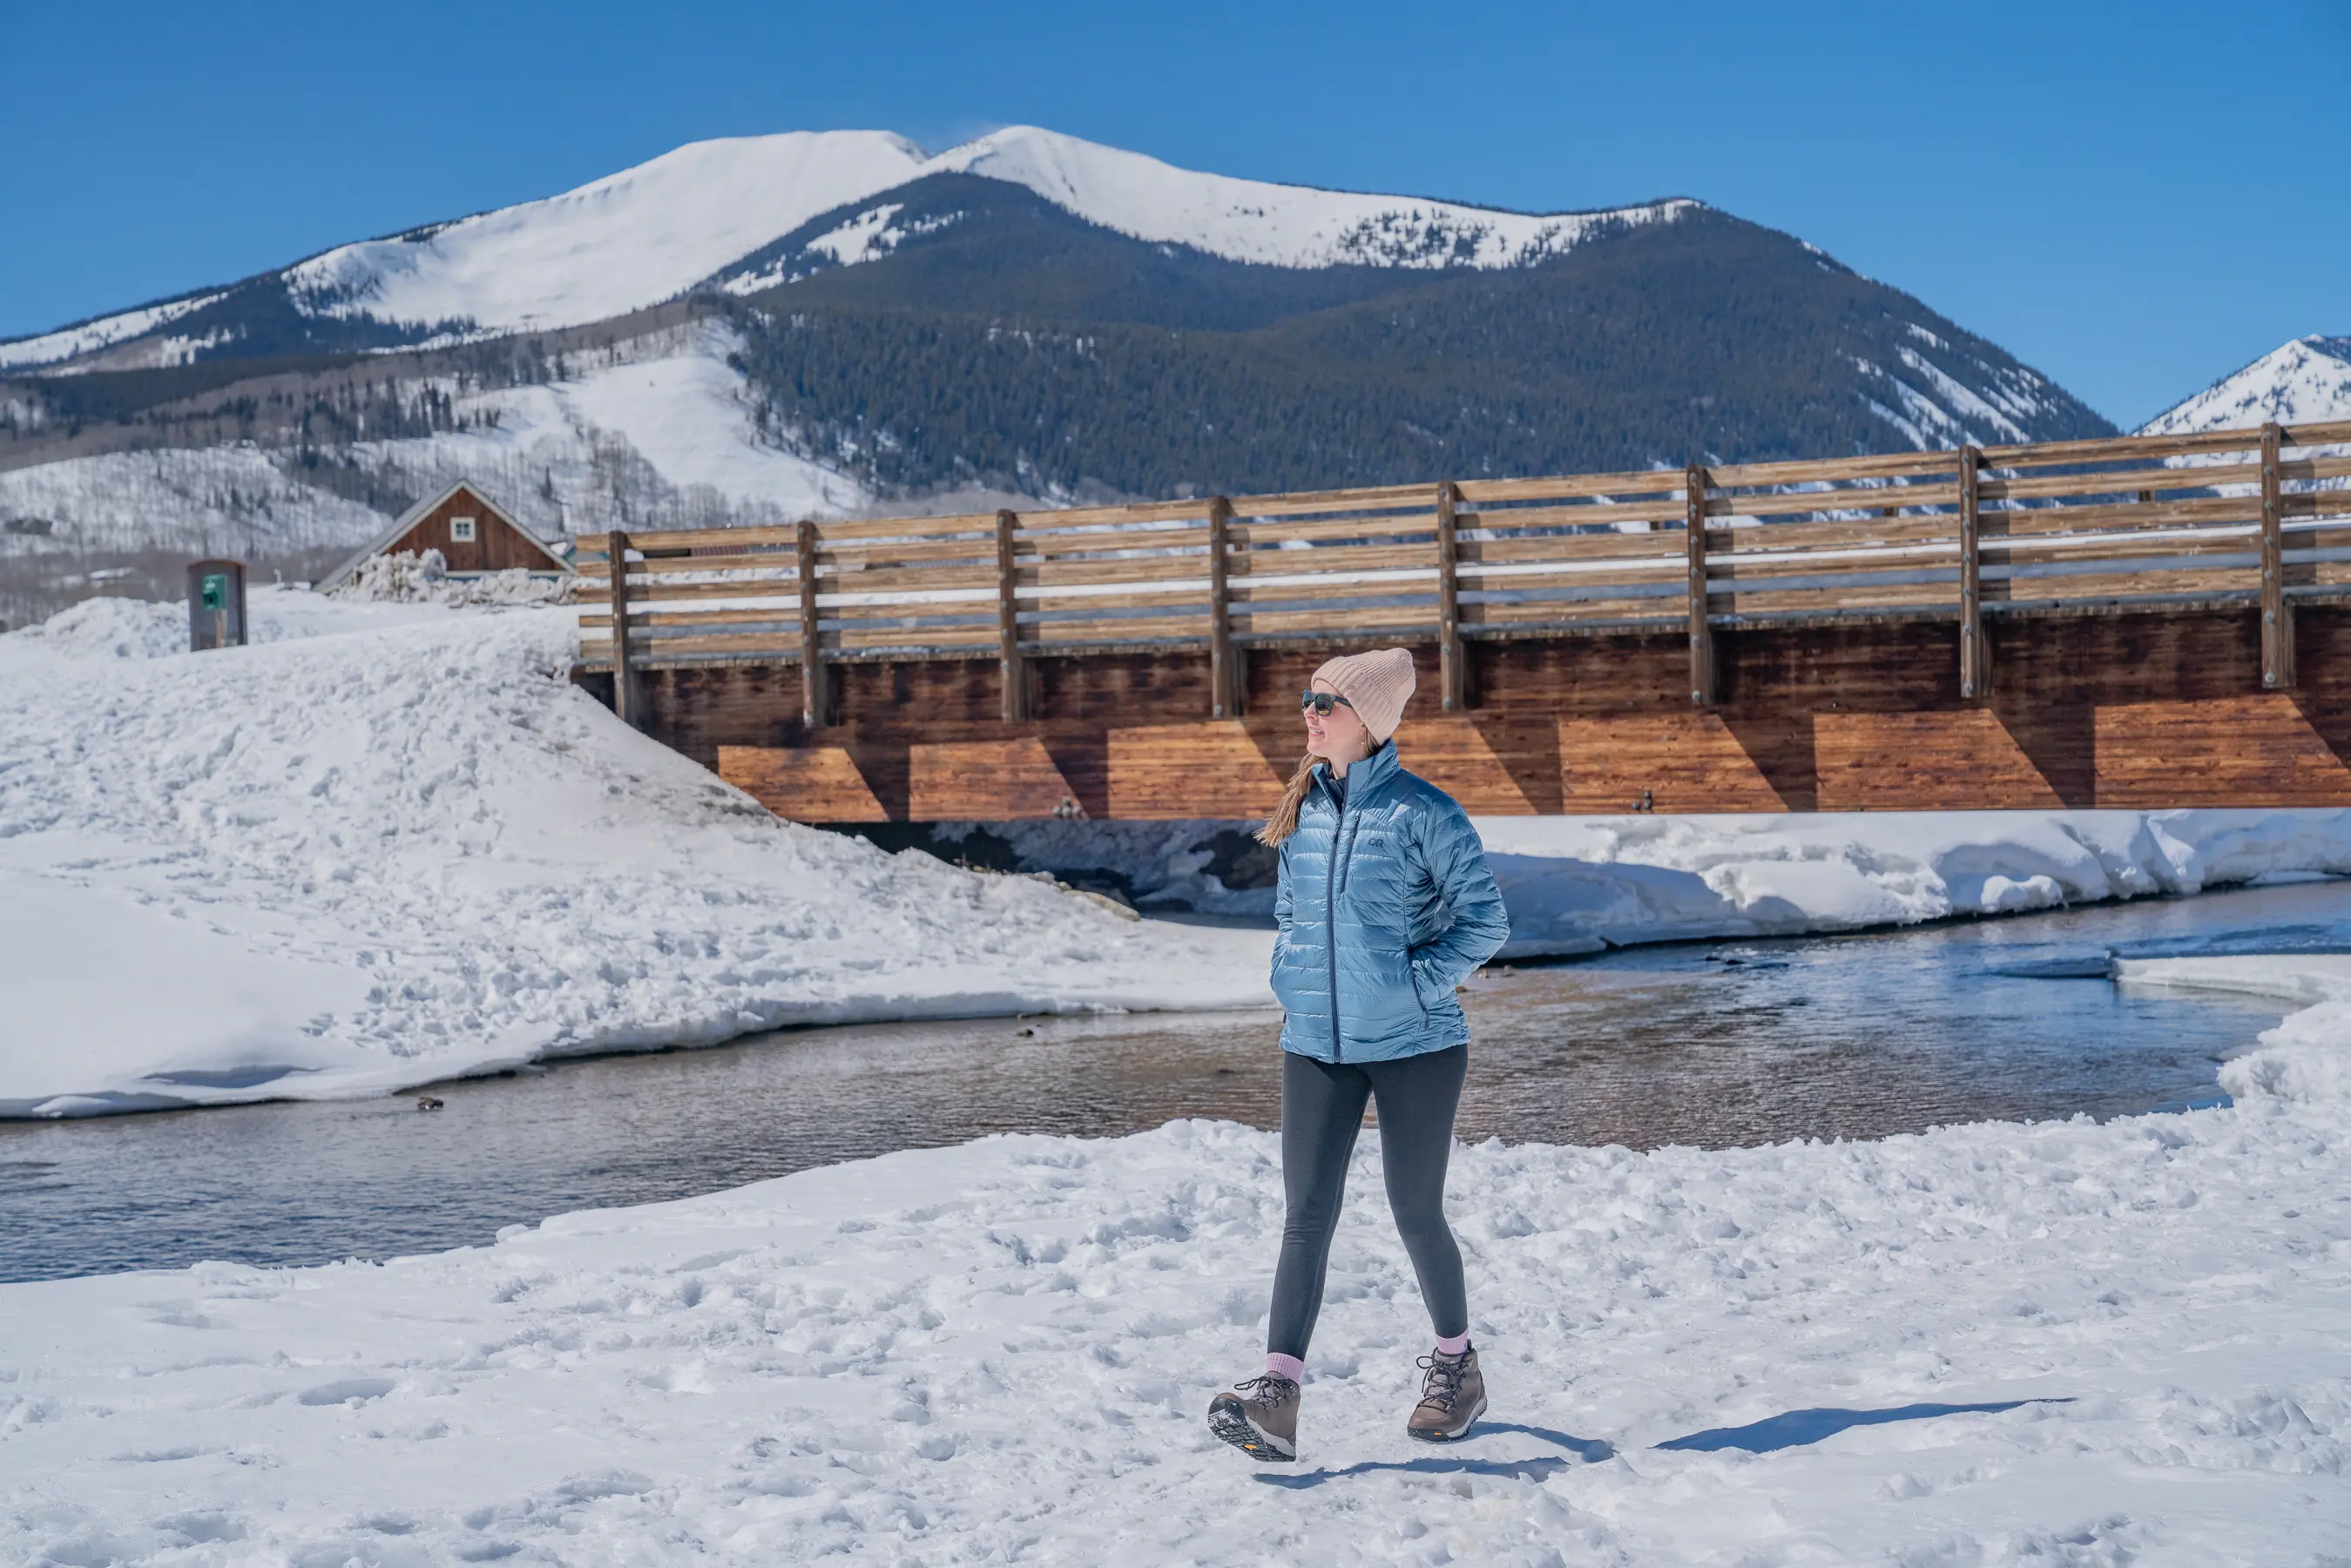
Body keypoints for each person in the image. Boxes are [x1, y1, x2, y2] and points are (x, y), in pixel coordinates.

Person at [1206, 647, 1510, 1463]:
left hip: (1416, 1046)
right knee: (1305, 1219)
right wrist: (1290, 981)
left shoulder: (1424, 813)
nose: (1307, 713)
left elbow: (1485, 922)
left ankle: (1456, 1370)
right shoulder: (1302, 809)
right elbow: (1288, 917)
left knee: (1415, 1213)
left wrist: (1413, 988)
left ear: (1367, 722)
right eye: (1307, 701)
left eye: (1325, 704)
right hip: (1315, 1045)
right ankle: (1276, 1395)